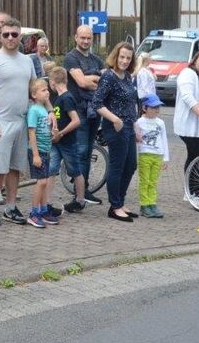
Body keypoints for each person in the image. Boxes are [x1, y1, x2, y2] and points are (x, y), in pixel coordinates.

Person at [0, 17, 37, 226]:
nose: (11, 38)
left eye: (15, 34)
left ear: (20, 35)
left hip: (20, 121)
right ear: (0, 36)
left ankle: (11, 207)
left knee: (15, 168)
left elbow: (33, 90)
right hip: (1, 122)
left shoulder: (27, 60)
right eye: (6, 34)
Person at [92, 42, 138, 222]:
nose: (125, 61)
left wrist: (134, 125)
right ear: (116, 57)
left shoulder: (127, 77)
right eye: (122, 57)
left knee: (131, 165)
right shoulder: (109, 77)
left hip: (128, 126)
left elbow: (130, 103)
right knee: (117, 166)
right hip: (115, 127)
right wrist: (115, 119)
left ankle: (120, 201)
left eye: (128, 58)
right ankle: (115, 206)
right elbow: (97, 103)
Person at [63, 25, 106, 205]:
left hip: (94, 111)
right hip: (78, 110)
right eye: (82, 38)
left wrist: (92, 78)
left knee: (88, 151)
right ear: (76, 37)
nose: (86, 41)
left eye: (88, 38)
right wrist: (96, 77)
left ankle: (85, 189)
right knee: (80, 151)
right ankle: (77, 192)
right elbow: (81, 82)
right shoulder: (71, 57)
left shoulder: (97, 60)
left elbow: (106, 83)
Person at [47, 67, 86, 213]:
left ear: (52, 82)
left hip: (67, 143)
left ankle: (80, 200)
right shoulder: (59, 98)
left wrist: (61, 133)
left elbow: (76, 121)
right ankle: (47, 201)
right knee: (51, 170)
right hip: (57, 143)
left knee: (75, 171)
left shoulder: (67, 98)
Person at [27, 79, 58, 228]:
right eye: (43, 90)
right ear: (34, 94)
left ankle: (44, 210)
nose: (47, 92)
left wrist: (52, 132)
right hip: (38, 151)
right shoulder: (34, 110)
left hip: (46, 150)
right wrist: (35, 154)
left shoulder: (44, 109)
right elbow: (31, 132)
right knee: (42, 182)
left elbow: (44, 129)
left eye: (47, 89)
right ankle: (34, 213)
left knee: (45, 182)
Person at [135, 93, 168, 218]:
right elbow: (137, 138)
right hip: (145, 155)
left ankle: (152, 203)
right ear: (144, 108)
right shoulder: (139, 122)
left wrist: (165, 158)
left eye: (158, 107)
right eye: (153, 107)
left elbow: (164, 139)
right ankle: (144, 205)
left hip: (157, 156)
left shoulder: (160, 123)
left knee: (153, 181)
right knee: (145, 181)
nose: (156, 110)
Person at [173, 50, 199, 171]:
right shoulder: (187, 73)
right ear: (195, 60)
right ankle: (194, 188)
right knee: (196, 155)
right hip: (191, 125)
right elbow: (187, 96)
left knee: (195, 156)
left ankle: (193, 188)